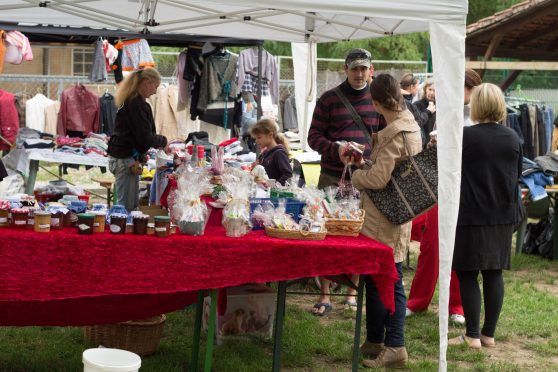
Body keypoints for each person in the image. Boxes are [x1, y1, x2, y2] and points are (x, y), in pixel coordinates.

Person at [345, 73, 422, 368]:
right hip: (394, 213)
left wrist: (357, 175)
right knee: (377, 279)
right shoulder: (409, 125)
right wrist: (365, 163)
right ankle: (377, 339)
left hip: (385, 218)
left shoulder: (395, 133)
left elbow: (378, 179)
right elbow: (389, 171)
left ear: (375, 103)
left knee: (391, 281)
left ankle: (396, 345)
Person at [307, 48, 384, 316]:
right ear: (346, 69)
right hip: (331, 174)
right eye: (355, 68)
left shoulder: (379, 99)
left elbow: (385, 138)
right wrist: (335, 149)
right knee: (327, 232)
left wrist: (369, 158)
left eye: (364, 68)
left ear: (371, 69)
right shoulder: (329, 99)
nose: (360, 73)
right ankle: (325, 293)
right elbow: (313, 137)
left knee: (362, 233)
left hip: (366, 177)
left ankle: (352, 292)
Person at [406, 69, 483, 325]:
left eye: (460, 87)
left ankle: (457, 306)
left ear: (472, 88)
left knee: (460, 249)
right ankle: (418, 302)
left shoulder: (481, 116)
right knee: (431, 246)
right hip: (442, 186)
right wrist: (433, 147)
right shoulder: (447, 112)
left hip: (468, 189)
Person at [449, 83, 522, 349]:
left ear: (476, 105)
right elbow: (517, 175)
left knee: (467, 273)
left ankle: (472, 335)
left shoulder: (465, 136)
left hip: (472, 212)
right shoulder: (513, 137)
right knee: (494, 273)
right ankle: (488, 334)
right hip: (502, 213)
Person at [107, 68, 168, 212]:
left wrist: (141, 154)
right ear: (146, 83)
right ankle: (119, 232)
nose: (154, 91)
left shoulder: (132, 102)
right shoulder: (136, 105)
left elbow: (135, 135)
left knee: (128, 206)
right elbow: (144, 138)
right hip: (125, 160)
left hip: (125, 158)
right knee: (126, 209)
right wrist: (163, 142)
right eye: (155, 86)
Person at [250, 118, 292, 185]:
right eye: (256, 138)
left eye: (259, 137)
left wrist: (273, 185)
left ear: (270, 135)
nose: (256, 141)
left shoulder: (279, 153)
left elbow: (288, 175)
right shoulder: (265, 153)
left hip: (274, 193)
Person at [400, 73, 434, 145]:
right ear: (412, 87)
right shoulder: (410, 103)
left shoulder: (405, 100)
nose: (432, 93)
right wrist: (428, 111)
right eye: (430, 89)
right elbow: (416, 123)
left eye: (434, 90)